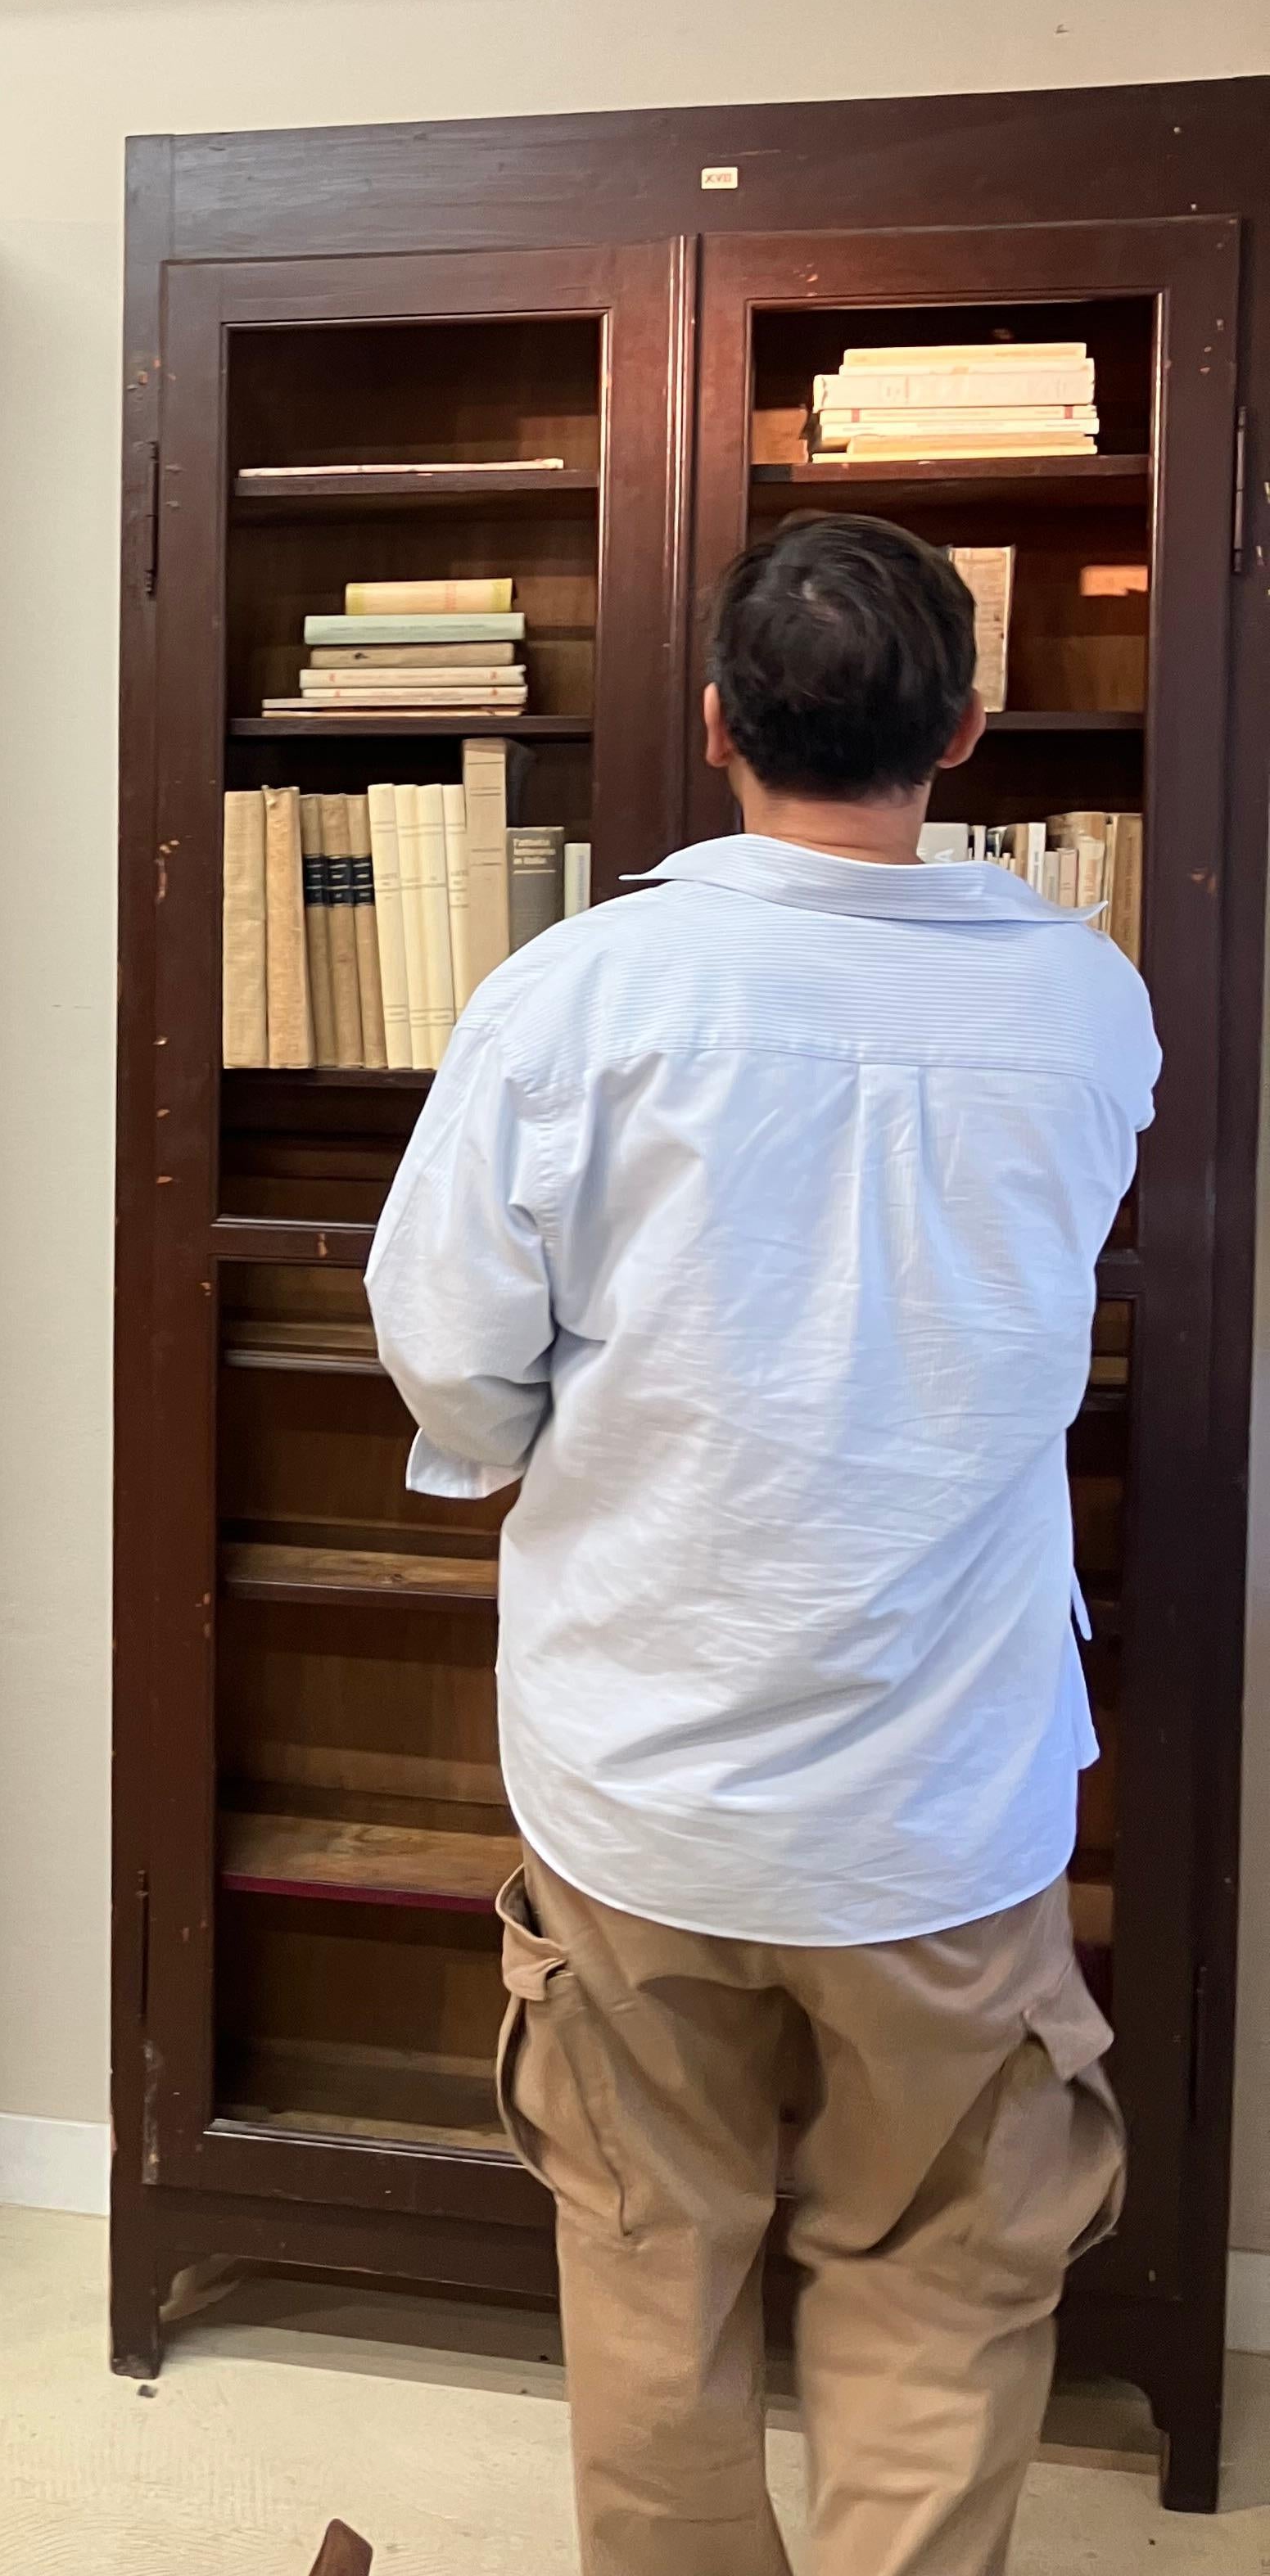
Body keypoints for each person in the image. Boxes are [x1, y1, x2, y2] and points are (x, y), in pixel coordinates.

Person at [365, 515, 1155, 2576]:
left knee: (649, 2271)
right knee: (945, 2283)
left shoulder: (572, 995)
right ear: (966, 731)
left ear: (711, 724)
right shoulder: (1090, 1007)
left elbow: (446, 1351)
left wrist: (549, 1447)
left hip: (640, 1778)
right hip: (945, 1799)